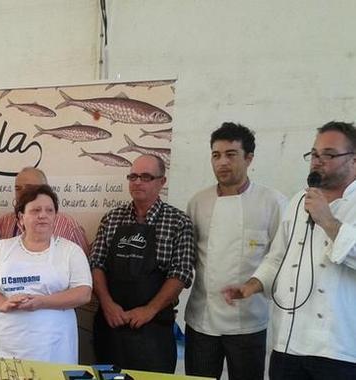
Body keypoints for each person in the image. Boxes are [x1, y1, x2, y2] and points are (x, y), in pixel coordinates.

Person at [223, 121, 356, 379]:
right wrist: (252, 285)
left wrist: (328, 221)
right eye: (314, 154)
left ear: (353, 160)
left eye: (328, 154)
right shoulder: (298, 200)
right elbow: (279, 257)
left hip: (337, 349)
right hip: (287, 343)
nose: (317, 161)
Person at [185, 122, 287, 380]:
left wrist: (254, 286)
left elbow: (281, 257)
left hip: (248, 321)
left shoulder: (272, 202)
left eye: (231, 154)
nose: (222, 162)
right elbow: (188, 255)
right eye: (216, 155)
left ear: (249, 158)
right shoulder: (198, 202)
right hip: (202, 319)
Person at [90, 154, 195, 373]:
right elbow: (96, 264)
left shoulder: (178, 222)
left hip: (153, 331)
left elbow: (181, 273)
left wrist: (149, 310)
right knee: (111, 378)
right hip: (112, 327)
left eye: (146, 177)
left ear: (161, 182)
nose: (137, 182)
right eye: (133, 176)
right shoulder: (111, 219)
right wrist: (108, 305)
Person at [0, 184, 92, 363]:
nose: (43, 215)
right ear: (21, 217)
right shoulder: (2, 248)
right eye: (36, 210)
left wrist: (41, 302)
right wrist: (3, 303)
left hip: (54, 344)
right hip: (5, 342)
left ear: (55, 216)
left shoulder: (70, 251)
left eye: (49, 210)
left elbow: (83, 293)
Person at [0, 167, 90, 254]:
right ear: (21, 217)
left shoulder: (68, 225)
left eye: (29, 188)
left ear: (45, 189)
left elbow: (83, 263)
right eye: (18, 188)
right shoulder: (4, 223)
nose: (22, 193)